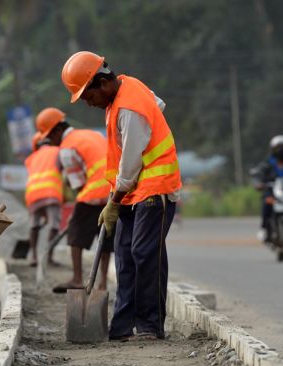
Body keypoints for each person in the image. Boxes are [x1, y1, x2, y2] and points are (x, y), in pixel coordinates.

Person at [61, 51, 182, 341]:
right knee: (125, 256)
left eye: (88, 97)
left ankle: (151, 325)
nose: (89, 104)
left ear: (101, 83)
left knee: (144, 252)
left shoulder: (129, 108)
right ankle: (122, 327)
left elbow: (130, 162)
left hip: (155, 187)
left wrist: (112, 202)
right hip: (132, 190)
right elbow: (158, 105)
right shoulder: (126, 90)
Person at [34, 107, 113, 294]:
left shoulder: (67, 148)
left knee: (75, 234)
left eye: (50, 138)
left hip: (94, 193)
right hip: (114, 192)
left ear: (57, 131)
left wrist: (75, 213)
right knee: (105, 238)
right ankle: (102, 285)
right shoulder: (89, 134)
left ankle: (77, 279)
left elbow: (79, 184)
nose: (51, 143)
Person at [24, 132, 63, 267]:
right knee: (54, 225)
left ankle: (33, 256)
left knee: (34, 225)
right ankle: (48, 257)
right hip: (51, 192)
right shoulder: (57, 151)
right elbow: (65, 171)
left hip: (32, 195)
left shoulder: (31, 158)